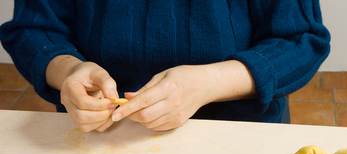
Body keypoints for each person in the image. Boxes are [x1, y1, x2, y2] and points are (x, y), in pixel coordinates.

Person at [0, 0, 330, 132]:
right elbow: (34, 29)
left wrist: (209, 82)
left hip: (238, 134)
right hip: (102, 136)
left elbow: (301, 40)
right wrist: (69, 71)